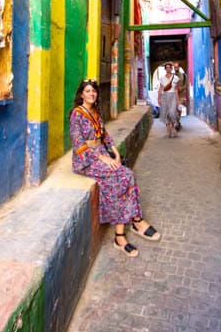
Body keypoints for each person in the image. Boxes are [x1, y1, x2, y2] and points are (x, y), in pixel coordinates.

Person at [69, 79, 161, 258]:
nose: (92, 94)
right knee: (119, 176)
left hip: (101, 153)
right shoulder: (77, 114)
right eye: (88, 91)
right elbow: (78, 144)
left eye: (94, 92)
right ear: (82, 95)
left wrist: (115, 152)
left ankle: (125, 231)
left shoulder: (95, 113)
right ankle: (134, 223)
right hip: (85, 159)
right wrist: (102, 157)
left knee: (126, 173)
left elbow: (105, 136)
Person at [158, 62, 180, 138]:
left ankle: (173, 127)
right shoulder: (162, 78)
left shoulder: (175, 78)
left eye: (169, 67)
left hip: (173, 96)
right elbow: (160, 88)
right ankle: (168, 131)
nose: (168, 69)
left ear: (171, 68)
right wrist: (159, 98)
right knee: (166, 113)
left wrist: (178, 100)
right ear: (165, 69)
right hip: (164, 96)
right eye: (166, 68)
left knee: (172, 112)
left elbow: (176, 89)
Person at [172, 62, 188, 130]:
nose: (176, 68)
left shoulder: (184, 76)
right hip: (173, 95)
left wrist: (181, 88)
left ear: (179, 67)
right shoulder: (171, 76)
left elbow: (186, 85)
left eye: (177, 67)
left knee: (179, 109)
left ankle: (177, 122)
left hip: (181, 95)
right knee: (175, 109)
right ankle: (177, 123)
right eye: (174, 67)